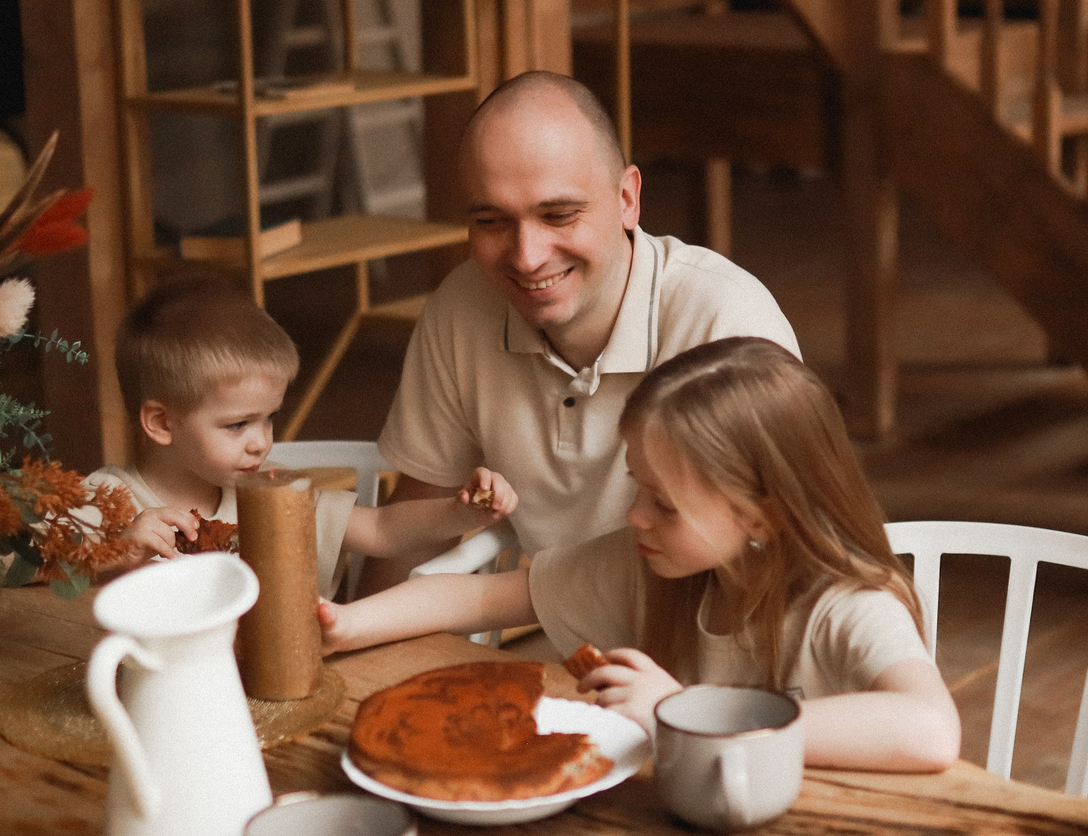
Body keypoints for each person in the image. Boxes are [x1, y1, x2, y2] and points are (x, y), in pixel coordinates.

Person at [323, 338, 960, 773]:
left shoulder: (846, 606)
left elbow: (931, 730)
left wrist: (685, 715)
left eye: (664, 503)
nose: (635, 517)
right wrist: (346, 623)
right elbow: (482, 595)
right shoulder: (653, 568)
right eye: (638, 489)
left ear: (761, 514)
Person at [372, 70, 798, 566]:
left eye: (558, 216)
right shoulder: (462, 306)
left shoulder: (728, 324)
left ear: (627, 200)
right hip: (553, 619)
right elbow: (415, 526)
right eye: (491, 222)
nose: (527, 257)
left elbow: (777, 568)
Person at [94, 275, 516, 587]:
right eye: (238, 424)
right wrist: (117, 552)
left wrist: (462, 513)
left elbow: (382, 530)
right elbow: (41, 584)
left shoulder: (277, 490)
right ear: (163, 423)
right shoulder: (104, 502)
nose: (261, 442)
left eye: (269, 418)